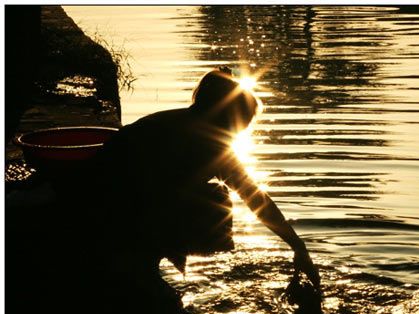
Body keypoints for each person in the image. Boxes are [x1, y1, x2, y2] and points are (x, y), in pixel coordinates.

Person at [93, 67, 320, 291]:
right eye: (241, 125)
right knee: (216, 202)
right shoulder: (208, 143)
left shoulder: (175, 121)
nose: (239, 133)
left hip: (108, 190)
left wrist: (297, 246)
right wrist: (298, 246)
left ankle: (148, 262)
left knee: (197, 197)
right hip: (110, 203)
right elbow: (255, 199)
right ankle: (138, 267)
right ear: (226, 117)